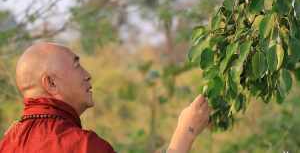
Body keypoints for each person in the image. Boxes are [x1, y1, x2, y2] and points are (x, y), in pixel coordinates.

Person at [0, 42, 211, 153]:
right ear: (51, 83)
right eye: (76, 65)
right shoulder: (81, 146)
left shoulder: (8, 143)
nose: (87, 74)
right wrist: (186, 132)